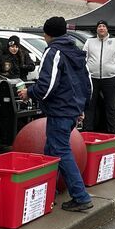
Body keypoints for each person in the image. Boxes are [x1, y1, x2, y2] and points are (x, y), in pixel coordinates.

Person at [18, 17, 93, 212]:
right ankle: (49, 191)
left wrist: (29, 93)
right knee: (51, 150)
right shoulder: (76, 51)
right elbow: (87, 84)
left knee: (59, 151)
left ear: (48, 34)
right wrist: (81, 108)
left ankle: (80, 195)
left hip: (60, 111)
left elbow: (47, 86)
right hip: (71, 110)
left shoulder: (53, 51)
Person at [83, 19, 115, 134]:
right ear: (96, 29)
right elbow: (84, 59)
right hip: (93, 78)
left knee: (110, 106)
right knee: (90, 105)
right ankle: (88, 129)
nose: (101, 28)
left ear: (107, 29)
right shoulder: (89, 42)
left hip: (110, 78)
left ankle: (112, 131)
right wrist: (86, 75)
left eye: (103, 26)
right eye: (99, 26)